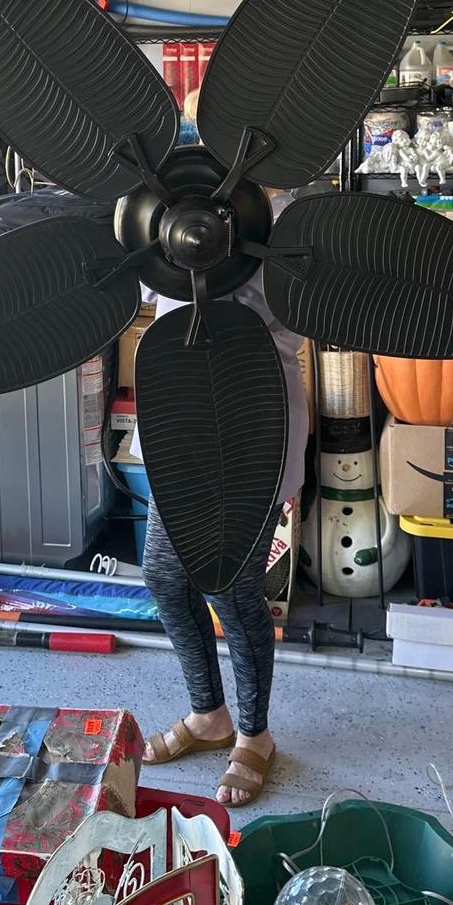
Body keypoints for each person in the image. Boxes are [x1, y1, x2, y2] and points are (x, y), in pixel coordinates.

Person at [129, 193, 308, 808]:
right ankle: (210, 716)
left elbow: (294, 315)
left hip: (254, 419)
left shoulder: (283, 222)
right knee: (164, 575)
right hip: (180, 419)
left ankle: (255, 736)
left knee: (232, 587)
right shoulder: (165, 205)